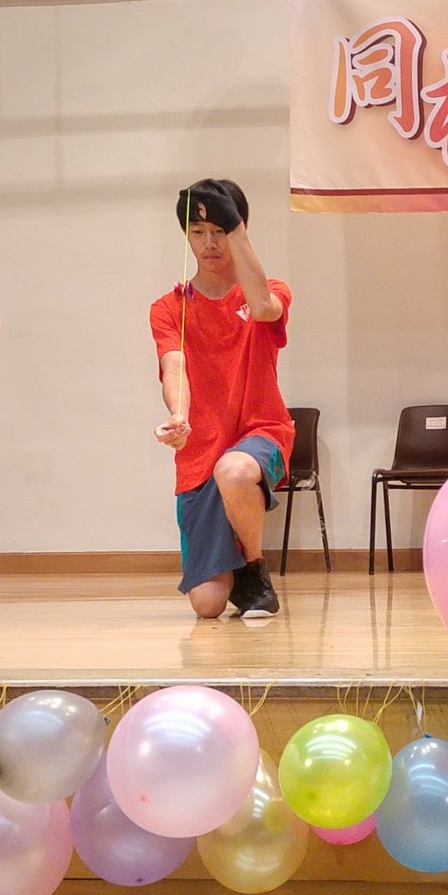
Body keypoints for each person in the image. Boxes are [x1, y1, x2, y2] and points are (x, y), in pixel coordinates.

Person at [151, 178, 289, 620]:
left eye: (219, 231)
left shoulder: (271, 290)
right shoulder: (168, 307)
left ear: (238, 230)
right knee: (207, 605)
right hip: (199, 454)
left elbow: (264, 308)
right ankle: (230, 553)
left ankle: (253, 569)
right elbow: (175, 366)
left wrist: (237, 228)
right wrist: (178, 415)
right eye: (197, 232)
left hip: (262, 433)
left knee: (234, 470)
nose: (209, 243)